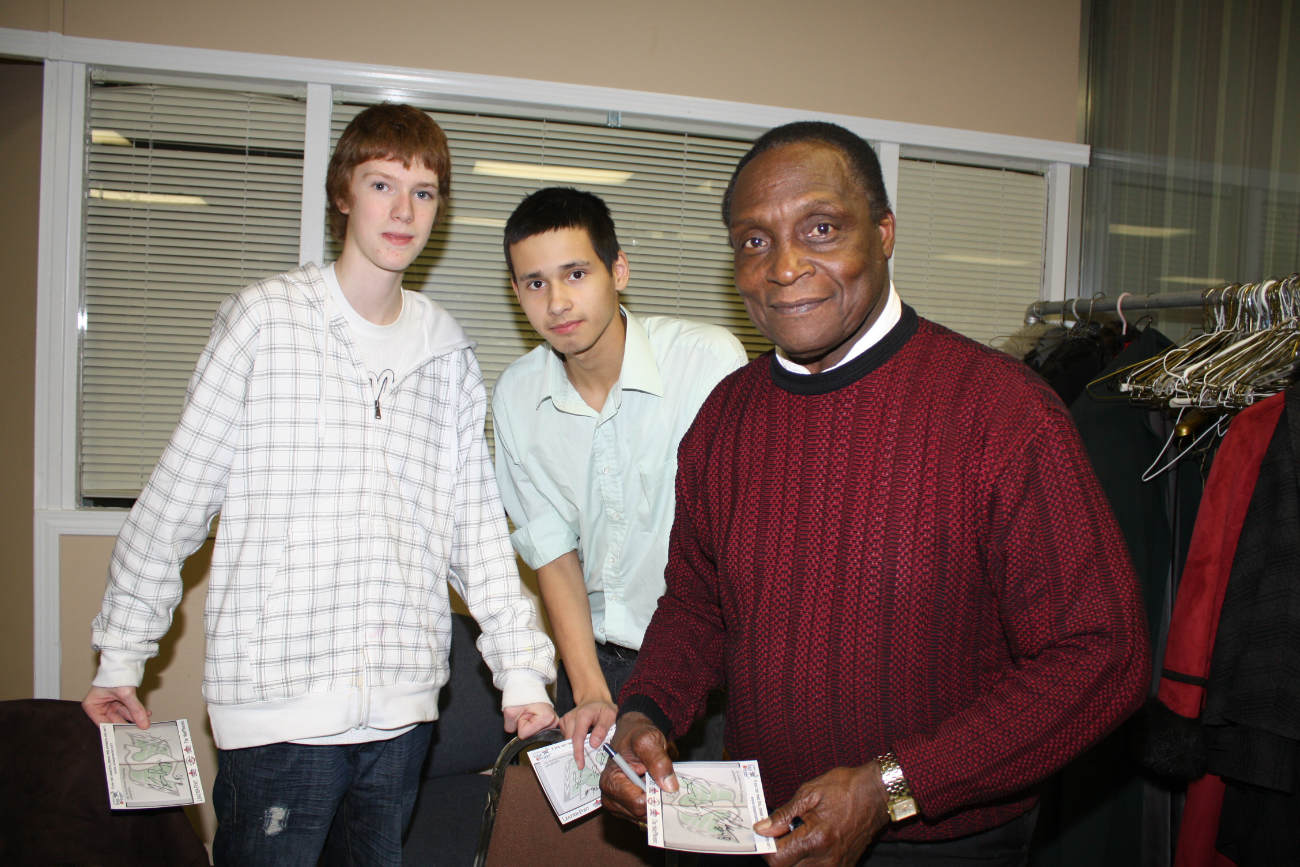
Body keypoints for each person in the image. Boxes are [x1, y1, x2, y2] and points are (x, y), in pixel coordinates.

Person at [600, 121, 1151, 866]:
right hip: (760, 831)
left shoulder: (1002, 412)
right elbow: (698, 607)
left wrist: (893, 785)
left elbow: (1102, 654)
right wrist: (645, 711)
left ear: (884, 233)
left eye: (821, 229)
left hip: (942, 843)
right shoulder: (724, 418)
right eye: (755, 241)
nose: (784, 266)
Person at [83, 103, 557, 866]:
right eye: (382, 184)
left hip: (402, 720)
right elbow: (174, 503)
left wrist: (522, 673)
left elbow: (475, 533)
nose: (403, 211)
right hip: (277, 719)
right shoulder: (265, 321)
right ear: (343, 193)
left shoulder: (446, 352)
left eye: (424, 192)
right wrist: (120, 659)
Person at [491, 187, 747, 766]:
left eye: (576, 274)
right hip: (593, 663)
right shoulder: (516, 396)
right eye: (535, 283)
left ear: (619, 271)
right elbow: (553, 554)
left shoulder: (707, 362)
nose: (558, 302)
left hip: (703, 670)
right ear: (516, 293)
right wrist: (589, 691)